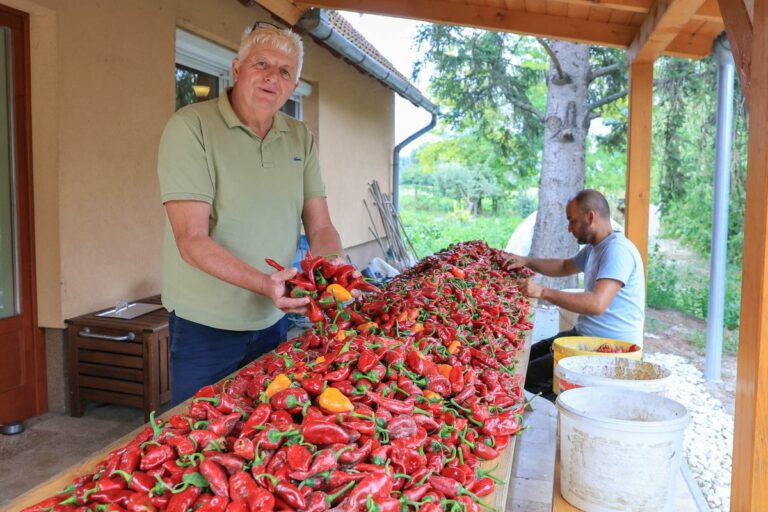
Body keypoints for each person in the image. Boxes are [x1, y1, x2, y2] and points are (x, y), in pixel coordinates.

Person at [158, 23, 348, 405]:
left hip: (273, 322)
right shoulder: (190, 127)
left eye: (284, 72)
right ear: (236, 68)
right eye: (261, 63)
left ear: (293, 87)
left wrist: (334, 269)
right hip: (205, 327)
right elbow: (191, 239)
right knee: (200, 435)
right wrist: (266, 283)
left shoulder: (299, 137)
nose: (271, 78)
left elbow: (321, 224)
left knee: (261, 435)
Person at [504, 189, 645, 399]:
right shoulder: (595, 248)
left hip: (611, 351)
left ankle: (561, 414)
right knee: (522, 359)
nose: (570, 228)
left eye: (572, 221)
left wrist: (542, 292)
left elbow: (596, 304)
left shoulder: (617, 250)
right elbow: (563, 266)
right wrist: (526, 261)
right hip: (585, 338)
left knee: (527, 379)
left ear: (590, 217)